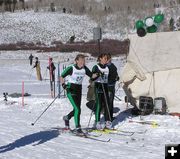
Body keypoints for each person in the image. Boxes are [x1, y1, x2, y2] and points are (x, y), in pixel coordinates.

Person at [60, 54, 97, 134]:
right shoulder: (71, 68)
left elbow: (92, 76)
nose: (82, 62)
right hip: (71, 89)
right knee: (77, 109)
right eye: (80, 61)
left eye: (83, 61)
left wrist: (98, 75)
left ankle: (67, 118)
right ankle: (78, 127)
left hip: (78, 90)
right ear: (76, 61)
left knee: (77, 109)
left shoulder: (85, 69)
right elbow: (62, 76)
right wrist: (63, 85)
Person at [92, 53, 112, 130]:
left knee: (107, 104)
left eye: (106, 59)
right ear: (100, 58)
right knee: (99, 105)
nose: (105, 60)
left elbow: (108, 78)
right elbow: (92, 77)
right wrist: (97, 74)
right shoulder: (96, 67)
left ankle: (107, 121)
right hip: (98, 86)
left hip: (105, 87)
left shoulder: (107, 68)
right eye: (104, 58)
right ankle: (97, 122)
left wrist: (115, 78)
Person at [106, 53, 119, 121]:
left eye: (108, 59)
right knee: (108, 102)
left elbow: (115, 73)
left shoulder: (113, 65)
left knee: (111, 102)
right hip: (107, 87)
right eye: (106, 59)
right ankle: (107, 118)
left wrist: (117, 77)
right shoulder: (105, 67)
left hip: (112, 86)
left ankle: (110, 117)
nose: (108, 60)